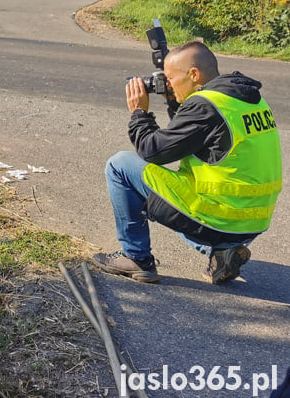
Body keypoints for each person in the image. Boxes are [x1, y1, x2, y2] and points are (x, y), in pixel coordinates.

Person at [93, 42, 282, 284]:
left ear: (194, 74)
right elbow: (189, 137)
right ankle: (224, 252)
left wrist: (140, 114)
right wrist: (175, 103)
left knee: (120, 165)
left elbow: (152, 150)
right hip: (252, 220)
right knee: (181, 192)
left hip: (222, 217)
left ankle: (136, 257)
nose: (168, 85)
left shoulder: (205, 106)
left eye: (171, 79)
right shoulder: (243, 98)